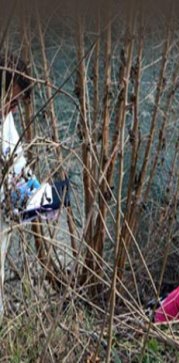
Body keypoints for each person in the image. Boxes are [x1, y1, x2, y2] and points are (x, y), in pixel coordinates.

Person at [0, 54, 70, 318]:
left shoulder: (5, 120)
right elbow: (8, 198)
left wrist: (43, 195)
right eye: (13, 100)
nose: (14, 109)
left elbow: (17, 165)